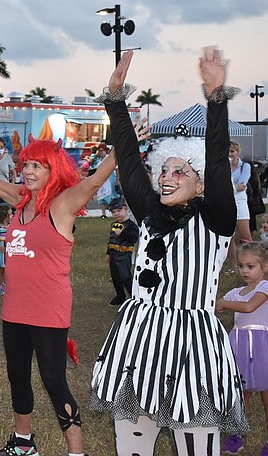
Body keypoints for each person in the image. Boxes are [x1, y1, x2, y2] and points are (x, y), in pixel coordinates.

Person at [90, 48, 247, 455]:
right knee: (132, 442)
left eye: (181, 171)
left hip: (193, 343)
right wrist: (115, 100)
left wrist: (216, 99)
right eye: (163, 170)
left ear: (200, 184)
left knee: (197, 445)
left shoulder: (216, 218)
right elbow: (127, 158)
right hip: (141, 339)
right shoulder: (150, 213)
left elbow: (215, 160)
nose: (167, 177)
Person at [0, 112, 122, 456]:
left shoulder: (62, 205)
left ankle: (76, 453)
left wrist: (122, 144)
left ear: (53, 170)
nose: (28, 172)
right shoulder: (20, 199)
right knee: (18, 377)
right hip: (15, 308)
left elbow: (95, 182)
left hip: (49, 310)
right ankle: (24, 444)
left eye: (37, 166)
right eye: (26, 165)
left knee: (54, 382)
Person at [216, 241, 268, 456]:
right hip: (238, 346)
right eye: (241, 266)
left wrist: (222, 303)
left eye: (250, 266)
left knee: (267, 396)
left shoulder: (265, 287)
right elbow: (211, 309)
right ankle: (236, 434)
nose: (244, 270)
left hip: (262, 347)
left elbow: (249, 307)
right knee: (240, 394)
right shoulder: (235, 292)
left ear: (265, 267)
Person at [105, 197, 139, 306]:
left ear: (126, 210)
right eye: (113, 212)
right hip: (114, 254)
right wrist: (108, 253)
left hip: (124, 255)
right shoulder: (113, 225)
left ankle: (134, 296)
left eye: (119, 211)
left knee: (125, 276)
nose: (116, 214)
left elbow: (133, 238)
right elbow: (111, 239)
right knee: (115, 276)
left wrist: (123, 233)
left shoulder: (131, 226)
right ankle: (120, 296)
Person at [228, 141, 252, 268]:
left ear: (238, 152)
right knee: (229, 236)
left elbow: (242, 185)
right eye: (228, 151)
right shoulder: (223, 166)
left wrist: (229, 187)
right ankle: (234, 266)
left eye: (232, 151)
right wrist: (233, 186)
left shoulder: (245, 166)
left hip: (240, 201)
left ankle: (252, 261)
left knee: (245, 234)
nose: (230, 154)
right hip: (226, 202)